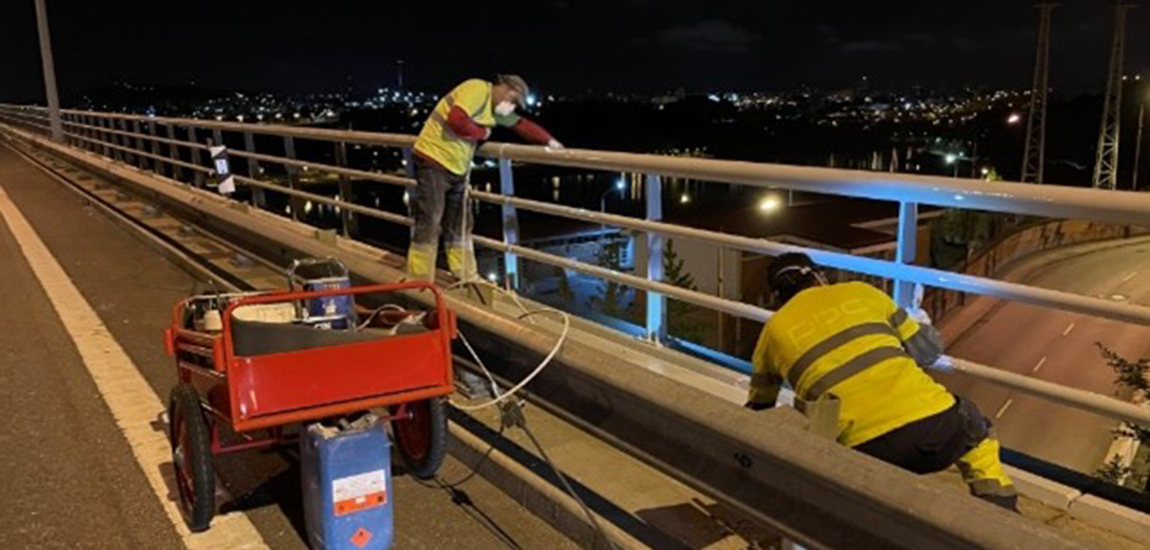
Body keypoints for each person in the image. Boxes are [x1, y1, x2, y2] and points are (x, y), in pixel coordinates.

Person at [746, 252, 1018, 511]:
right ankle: (999, 510)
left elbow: (759, 406)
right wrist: (917, 320)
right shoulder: (863, 292)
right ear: (819, 277)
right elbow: (928, 352)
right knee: (976, 428)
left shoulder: (772, 331)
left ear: (779, 295)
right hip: (935, 432)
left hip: (859, 454)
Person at [407, 74, 562, 282]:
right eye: (512, 99)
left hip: (457, 168)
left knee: (459, 225)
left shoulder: (497, 109)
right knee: (430, 222)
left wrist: (552, 143)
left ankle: (465, 275)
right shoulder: (477, 88)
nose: (511, 105)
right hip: (433, 160)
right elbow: (456, 119)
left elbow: (522, 125)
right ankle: (419, 280)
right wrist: (483, 133)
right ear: (504, 87)